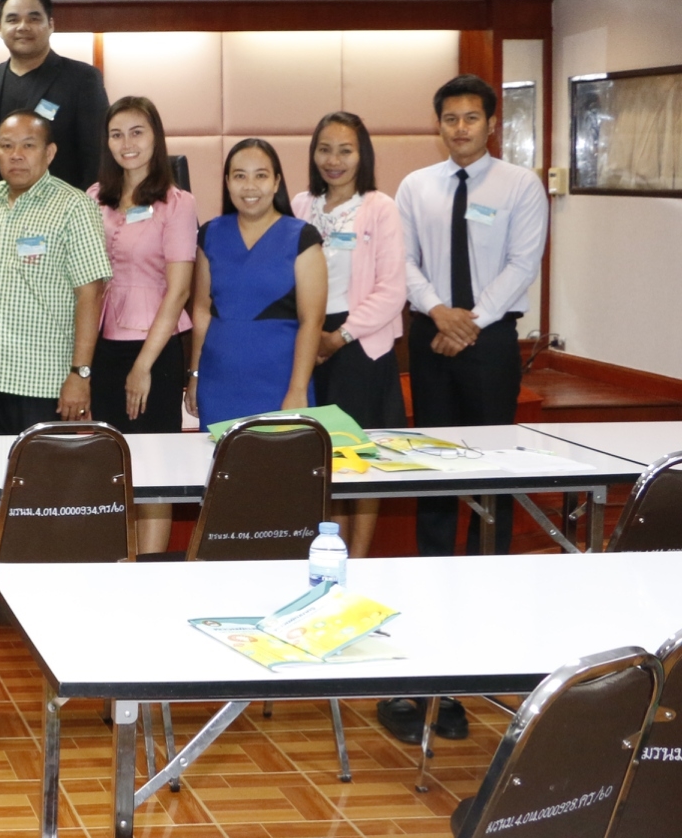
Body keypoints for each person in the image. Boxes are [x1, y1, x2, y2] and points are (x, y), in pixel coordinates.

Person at [397, 74, 550, 554]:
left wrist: (469, 323)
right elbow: (402, 260)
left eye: (471, 118)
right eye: (450, 119)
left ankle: (488, 563)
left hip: (492, 341)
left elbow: (522, 264)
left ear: (491, 123)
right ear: (438, 125)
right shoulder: (416, 186)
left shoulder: (520, 185)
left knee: (493, 461)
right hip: (430, 336)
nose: (460, 128)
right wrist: (439, 312)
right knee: (433, 460)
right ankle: (433, 563)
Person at [85, 97, 197, 555]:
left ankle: (149, 569)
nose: (126, 143)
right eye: (117, 134)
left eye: (137, 132)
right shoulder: (95, 197)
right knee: (113, 467)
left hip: (155, 348)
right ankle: (120, 563)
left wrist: (143, 366)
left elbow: (179, 290)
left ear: (156, 138)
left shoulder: (177, 203)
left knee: (154, 469)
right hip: (103, 345)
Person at [294, 112, 407, 556]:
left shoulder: (379, 207)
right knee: (319, 460)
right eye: (324, 149)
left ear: (363, 155)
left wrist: (337, 336)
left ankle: (356, 560)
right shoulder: (301, 204)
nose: (333, 160)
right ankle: (328, 553)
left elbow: (392, 289)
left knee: (360, 462)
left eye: (345, 151)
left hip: (360, 346)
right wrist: (311, 336)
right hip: (307, 336)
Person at [0, 112, 111, 432]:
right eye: (7, 146)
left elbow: (90, 294)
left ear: (49, 153)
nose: (16, 155)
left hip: (45, 383)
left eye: (28, 145)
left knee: (43, 466)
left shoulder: (74, 206)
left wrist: (80, 373)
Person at [186, 139, 325, 427]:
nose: (250, 186)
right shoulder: (210, 234)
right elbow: (201, 310)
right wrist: (195, 374)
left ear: (276, 182)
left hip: (281, 384)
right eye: (240, 176)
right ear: (227, 182)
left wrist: (298, 389)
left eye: (260, 175)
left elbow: (311, 321)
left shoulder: (302, 237)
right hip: (218, 385)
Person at [0, 0, 108, 192]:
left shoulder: (82, 80)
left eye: (34, 18)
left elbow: (96, 157)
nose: (23, 27)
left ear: (51, 25)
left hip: (63, 207)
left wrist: (86, 204)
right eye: (13, 19)